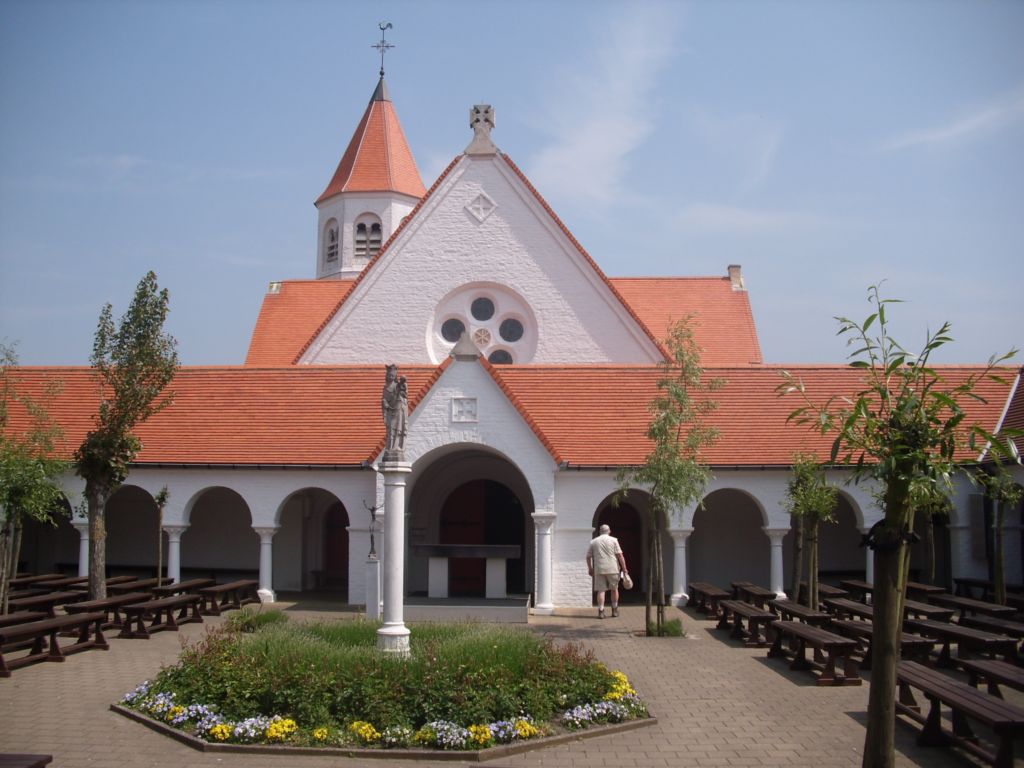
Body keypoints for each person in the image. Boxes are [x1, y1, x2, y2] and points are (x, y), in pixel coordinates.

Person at [586, 524, 628, 619]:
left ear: (600, 531)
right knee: (614, 589)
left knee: (601, 590)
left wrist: (590, 568)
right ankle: (614, 610)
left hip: (599, 569)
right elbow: (620, 555)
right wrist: (624, 568)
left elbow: (588, 557)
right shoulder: (614, 540)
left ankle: (601, 611)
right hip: (613, 568)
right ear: (609, 531)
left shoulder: (593, 542)